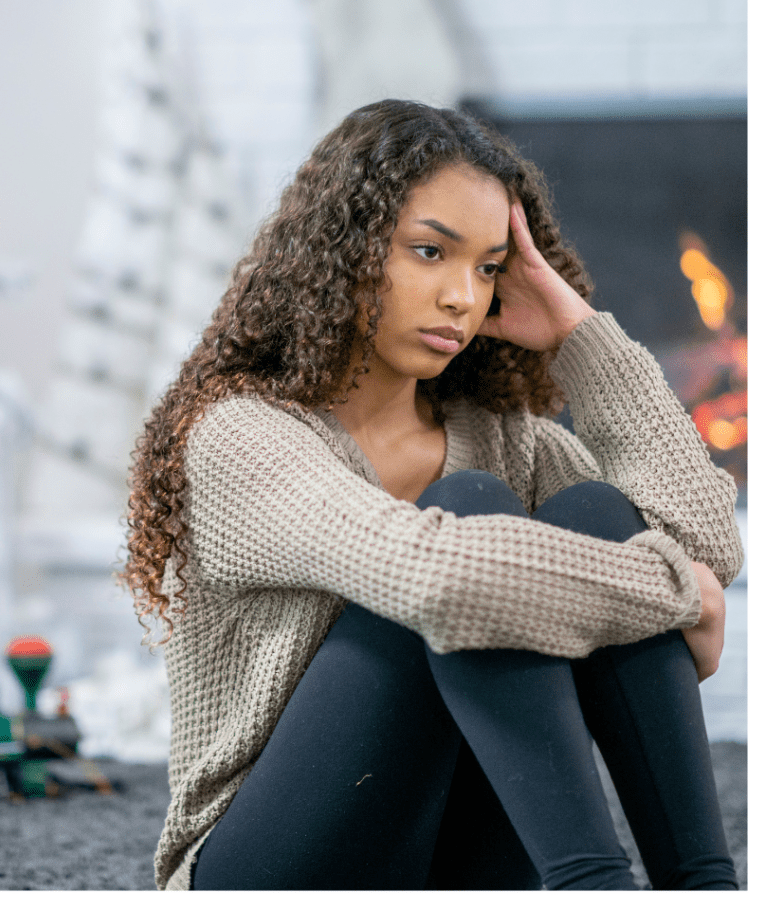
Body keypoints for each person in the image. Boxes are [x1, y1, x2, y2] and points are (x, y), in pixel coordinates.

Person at [121, 100, 742, 890]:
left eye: (487, 269)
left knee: (595, 513)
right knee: (471, 511)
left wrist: (579, 332)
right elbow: (440, 577)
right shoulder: (241, 437)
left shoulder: (507, 437)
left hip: (460, 852)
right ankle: (597, 888)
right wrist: (674, 594)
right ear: (341, 251)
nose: (462, 296)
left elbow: (708, 549)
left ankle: (704, 888)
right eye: (429, 252)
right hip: (271, 864)